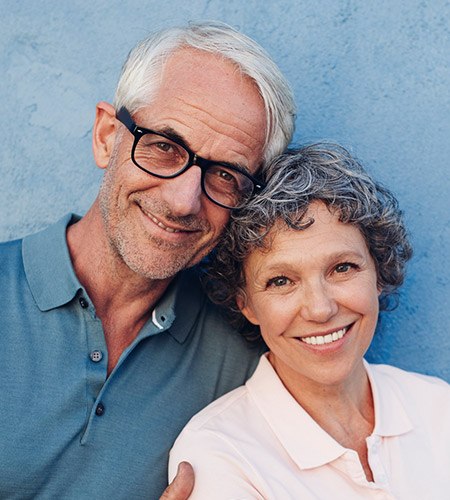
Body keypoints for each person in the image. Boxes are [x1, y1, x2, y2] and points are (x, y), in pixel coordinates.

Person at [0, 22, 295, 499]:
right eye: (164, 146)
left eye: (224, 175)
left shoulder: (246, 360)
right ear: (106, 136)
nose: (184, 201)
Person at [169, 144, 450, 498]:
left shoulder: (440, 410)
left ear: (378, 272)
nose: (320, 309)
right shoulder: (220, 453)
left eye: (342, 268)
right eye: (281, 281)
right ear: (246, 304)